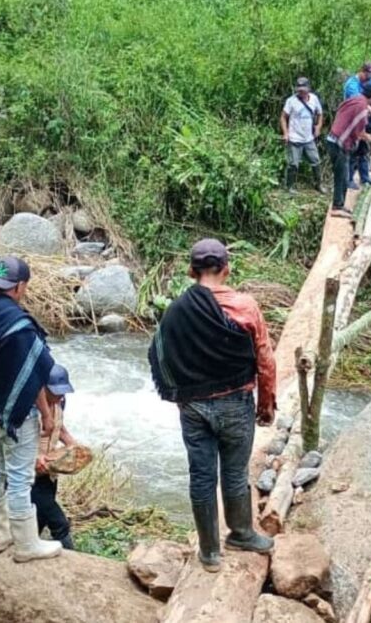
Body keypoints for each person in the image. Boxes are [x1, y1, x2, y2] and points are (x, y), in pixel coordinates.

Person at [148, 239, 277, 572]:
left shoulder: (178, 309)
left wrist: (178, 395)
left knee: (201, 478)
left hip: (193, 408)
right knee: (234, 474)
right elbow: (265, 359)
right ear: (226, 268)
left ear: (192, 271)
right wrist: (266, 405)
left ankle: (209, 552)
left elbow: (160, 353)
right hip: (236, 403)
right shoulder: (245, 306)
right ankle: (241, 533)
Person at [0, 256, 61, 562]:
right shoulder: (21, 326)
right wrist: (46, 414)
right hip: (19, 415)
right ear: (19, 287)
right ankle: (27, 546)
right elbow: (35, 374)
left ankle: (0, 535)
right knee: (20, 478)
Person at [32, 363, 77, 550]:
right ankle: (72, 557)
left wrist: (72, 444)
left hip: (49, 473)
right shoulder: (29, 408)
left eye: (62, 392)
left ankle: (31, 546)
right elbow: (15, 440)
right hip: (30, 475)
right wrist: (35, 457)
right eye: (55, 392)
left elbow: (60, 428)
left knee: (40, 519)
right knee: (59, 522)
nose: (59, 396)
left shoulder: (60, 402)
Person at [325, 84, 371, 219]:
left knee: (344, 174)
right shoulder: (362, 109)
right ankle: (337, 206)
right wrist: (368, 137)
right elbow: (358, 131)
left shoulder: (354, 99)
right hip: (339, 144)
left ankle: (340, 204)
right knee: (341, 175)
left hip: (333, 139)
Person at [280, 77, 325, 194]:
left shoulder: (314, 99)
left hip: (308, 138)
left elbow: (320, 114)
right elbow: (283, 117)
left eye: (303, 89)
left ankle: (318, 184)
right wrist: (286, 133)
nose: (301, 92)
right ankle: (289, 187)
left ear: (308, 88)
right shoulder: (291, 101)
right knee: (293, 164)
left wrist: (318, 127)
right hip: (294, 138)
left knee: (316, 161)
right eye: (299, 89)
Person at [343, 63, 371, 187]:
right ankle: (349, 179)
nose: (369, 77)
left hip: (362, 121)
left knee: (363, 151)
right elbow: (357, 101)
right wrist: (368, 106)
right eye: (367, 75)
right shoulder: (352, 85)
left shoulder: (365, 83)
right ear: (362, 71)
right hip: (352, 123)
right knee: (353, 152)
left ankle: (365, 177)